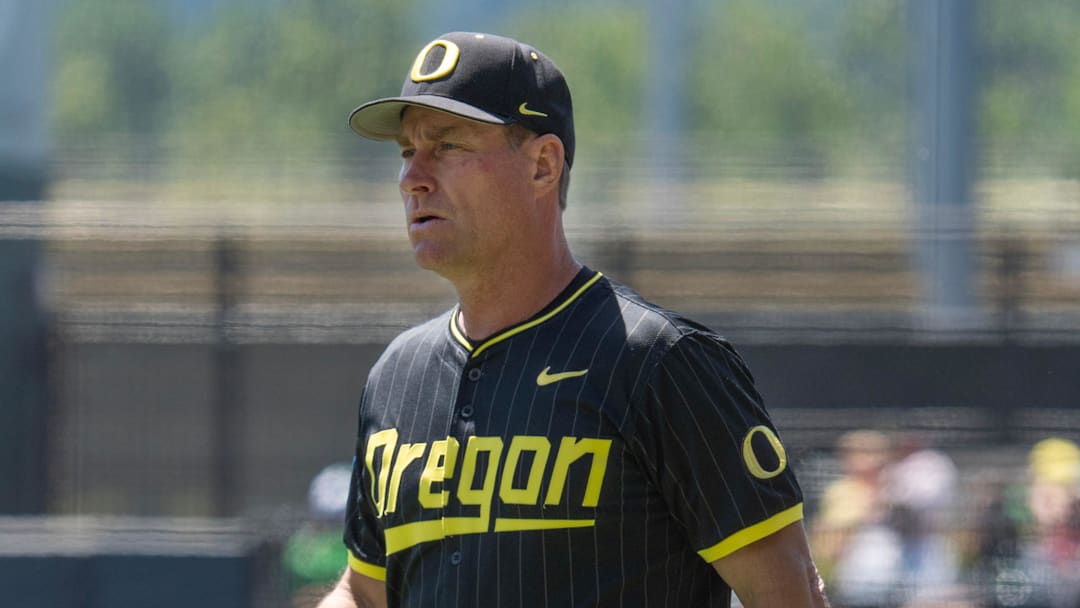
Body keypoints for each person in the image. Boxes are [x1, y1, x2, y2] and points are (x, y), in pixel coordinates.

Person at [318, 31, 828, 608]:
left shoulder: (658, 361)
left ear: (543, 165)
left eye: (449, 146)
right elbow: (364, 591)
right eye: (407, 151)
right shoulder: (397, 376)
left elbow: (788, 594)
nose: (413, 177)